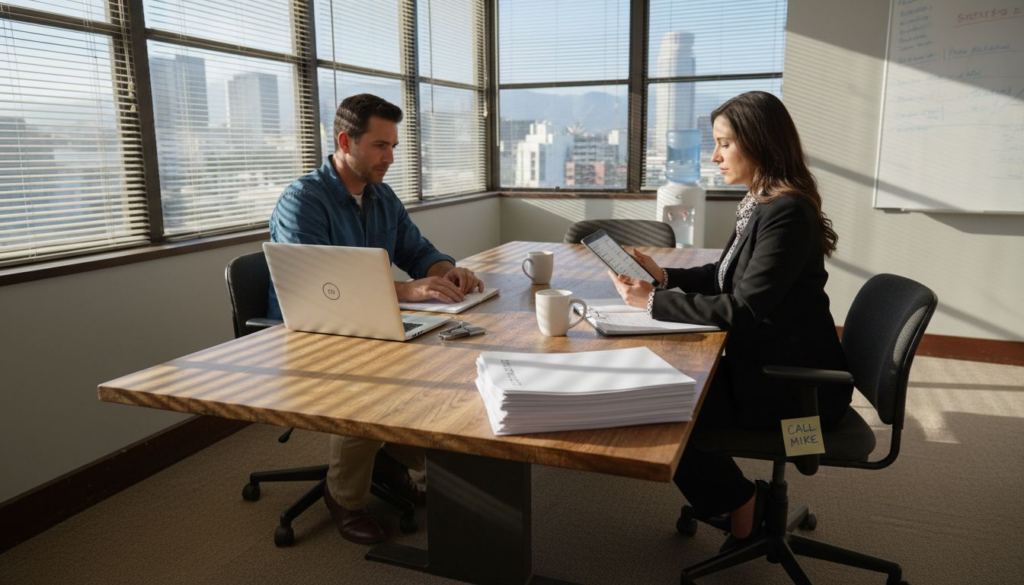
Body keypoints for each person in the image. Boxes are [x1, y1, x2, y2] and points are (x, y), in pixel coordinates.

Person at [609, 91, 852, 544]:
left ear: (759, 142)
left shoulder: (786, 213)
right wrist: (664, 276)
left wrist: (650, 303)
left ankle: (741, 503)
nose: (714, 156)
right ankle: (739, 500)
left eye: (724, 143)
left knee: (663, 405)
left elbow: (743, 309)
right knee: (664, 383)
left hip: (802, 396)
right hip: (773, 366)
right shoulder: (763, 202)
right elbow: (728, 278)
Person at [267, 93, 484, 545]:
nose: (390, 157)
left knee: (454, 362)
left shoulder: (382, 197)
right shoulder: (303, 201)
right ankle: (343, 495)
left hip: (370, 323)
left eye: (393, 146)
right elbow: (318, 286)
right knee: (376, 383)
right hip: (313, 333)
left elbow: (417, 251)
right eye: (380, 146)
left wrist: (448, 272)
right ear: (345, 140)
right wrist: (407, 290)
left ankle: (389, 459)